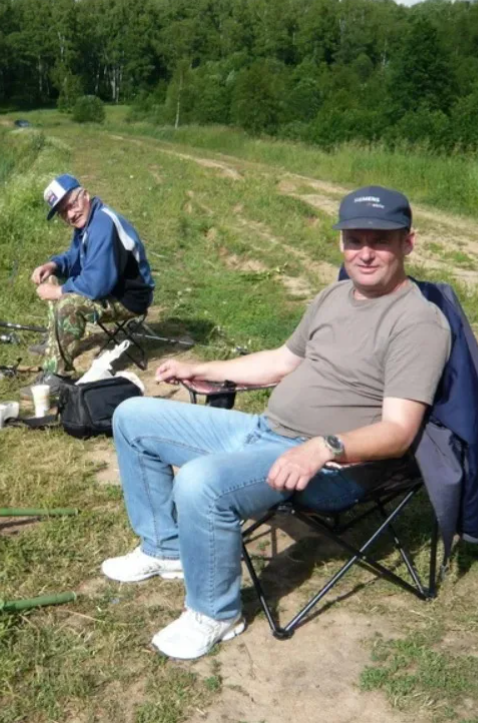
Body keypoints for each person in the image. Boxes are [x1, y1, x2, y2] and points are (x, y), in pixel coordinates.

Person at [102, 186, 452, 660]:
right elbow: (282, 361)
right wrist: (206, 368)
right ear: (341, 242)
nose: (365, 253)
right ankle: (165, 550)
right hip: (263, 432)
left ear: (407, 243)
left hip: (330, 467)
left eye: (381, 240)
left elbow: (399, 431)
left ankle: (216, 613)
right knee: (132, 416)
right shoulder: (333, 296)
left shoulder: (418, 323)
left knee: (203, 483)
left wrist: (322, 447)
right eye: (354, 239)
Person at [28, 174, 154, 392]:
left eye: (72, 205)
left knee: (68, 303)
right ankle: (55, 342)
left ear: (85, 195)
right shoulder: (87, 222)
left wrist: (58, 291)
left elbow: (96, 285)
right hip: (111, 287)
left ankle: (58, 376)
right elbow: (75, 258)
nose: (70, 214)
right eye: (63, 212)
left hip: (129, 298)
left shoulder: (103, 224)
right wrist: (53, 265)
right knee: (54, 279)